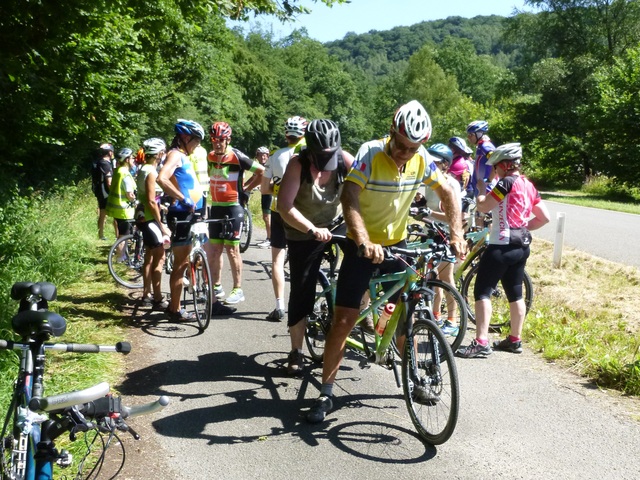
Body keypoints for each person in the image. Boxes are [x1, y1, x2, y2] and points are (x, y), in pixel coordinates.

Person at [306, 100, 467, 423]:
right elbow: (349, 196)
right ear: (391, 133)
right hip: (361, 245)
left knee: (405, 314)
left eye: (413, 147)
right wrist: (363, 239)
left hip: (396, 244)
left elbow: (448, 192)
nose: (405, 153)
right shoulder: (370, 152)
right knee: (343, 321)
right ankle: (325, 392)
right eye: (402, 145)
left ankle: (414, 378)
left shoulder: (421, 158)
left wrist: (456, 233)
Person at [456, 143, 550, 358]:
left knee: (482, 291)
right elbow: (544, 217)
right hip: (522, 245)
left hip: (501, 244)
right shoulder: (528, 184)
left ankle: (481, 342)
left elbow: (483, 207)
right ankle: (515, 340)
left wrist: (481, 191)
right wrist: (523, 226)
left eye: (495, 167)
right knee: (515, 293)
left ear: (505, 165)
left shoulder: (506, 182)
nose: (494, 171)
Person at [277, 119, 354, 375]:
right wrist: (311, 229)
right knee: (303, 286)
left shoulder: (345, 160)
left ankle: (355, 309)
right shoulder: (297, 165)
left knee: (363, 259)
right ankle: (296, 350)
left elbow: (364, 192)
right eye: (321, 155)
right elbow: (285, 206)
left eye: (330, 154)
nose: (326, 159)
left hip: (334, 223)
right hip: (303, 230)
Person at [157, 119, 236, 320]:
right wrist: (182, 198)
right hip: (183, 214)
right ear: (185, 138)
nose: (198, 145)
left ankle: (180, 305)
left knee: (191, 260)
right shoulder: (175, 154)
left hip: (192, 214)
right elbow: (162, 178)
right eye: (196, 141)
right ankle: (175, 310)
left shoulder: (183, 155)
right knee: (181, 265)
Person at [206, 121, 264, 306]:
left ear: (228, 139)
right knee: (215, 249)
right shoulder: (210, 156)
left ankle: (238, 289)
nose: (217, 143)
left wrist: (246, 190)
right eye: (214, 139)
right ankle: (217, 286)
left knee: (232, 249)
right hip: (216, 206)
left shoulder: (237, 156)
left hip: (233, 207)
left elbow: (262, 172)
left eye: (221, 140)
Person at [260, 116, 308, 321]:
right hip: (302, 211)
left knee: (277, 261)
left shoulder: (275, 155)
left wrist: (278, 187)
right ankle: (302, 307)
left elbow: (264, 189)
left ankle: (279, 305)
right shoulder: (309, 155)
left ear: (286, 134)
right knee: (302, 262)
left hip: (279, 210)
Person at [420, 143, 463, 336]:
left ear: (446, 164)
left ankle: (452, 321)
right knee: (431, 276)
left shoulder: (451, 184)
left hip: (445, 235)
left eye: (436, 162)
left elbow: (454, 216)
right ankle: (435, 315)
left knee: (446, 278)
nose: (431, 165)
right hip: (431, 232)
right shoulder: (430, 182)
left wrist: (428, 212)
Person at [135, 138, 171, 308]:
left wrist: (160, 205)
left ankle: (146, 295)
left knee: (149, 256)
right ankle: (157, 298)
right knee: (159, 257)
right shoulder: (151, 172)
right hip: (149, 219)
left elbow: (149, 198)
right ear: (158, 154)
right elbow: (150, 201)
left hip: (143, 216)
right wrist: (161, 224)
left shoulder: (144, 168)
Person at [106, 148, 137, 254]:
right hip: (125, 209)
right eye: (132, 157)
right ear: (127, 160)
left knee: (121, 233)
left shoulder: (118, 171)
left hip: (117, 208)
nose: (134, 159)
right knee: (124, 235)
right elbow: (129, 194)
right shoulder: (125, 174)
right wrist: (135, 201)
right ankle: (120, 257)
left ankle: (120, 256)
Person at [246, 146, 272, 248]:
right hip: (265, 194)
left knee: (267, 217)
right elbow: (253, 178)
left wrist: (262, 186)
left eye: (265, 155)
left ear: (268, 156)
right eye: (260, 155)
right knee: (267, 217)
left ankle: (270, 239)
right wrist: (244, 186)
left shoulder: (269, 165)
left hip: (269, 194)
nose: (263, 157)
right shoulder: (258, 166)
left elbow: (274, 179)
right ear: (257, 156)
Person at [466, 120, 496, 197]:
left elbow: (497, 163)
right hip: (480, 187)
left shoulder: (485, 146)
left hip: (486, 188)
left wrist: (489, 180)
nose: (468, 137)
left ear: (479, 134)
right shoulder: (480, 146)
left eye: (471, 134)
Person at [93, 143, 115, 240]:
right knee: (115, 214)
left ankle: (100, 235)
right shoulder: (105, 164)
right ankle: (118, 236)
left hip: (101, 192)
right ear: (110, 153)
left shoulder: (100, 162)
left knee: (102, 213)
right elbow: (109, 182)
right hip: (106, 192)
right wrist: (114, 193)